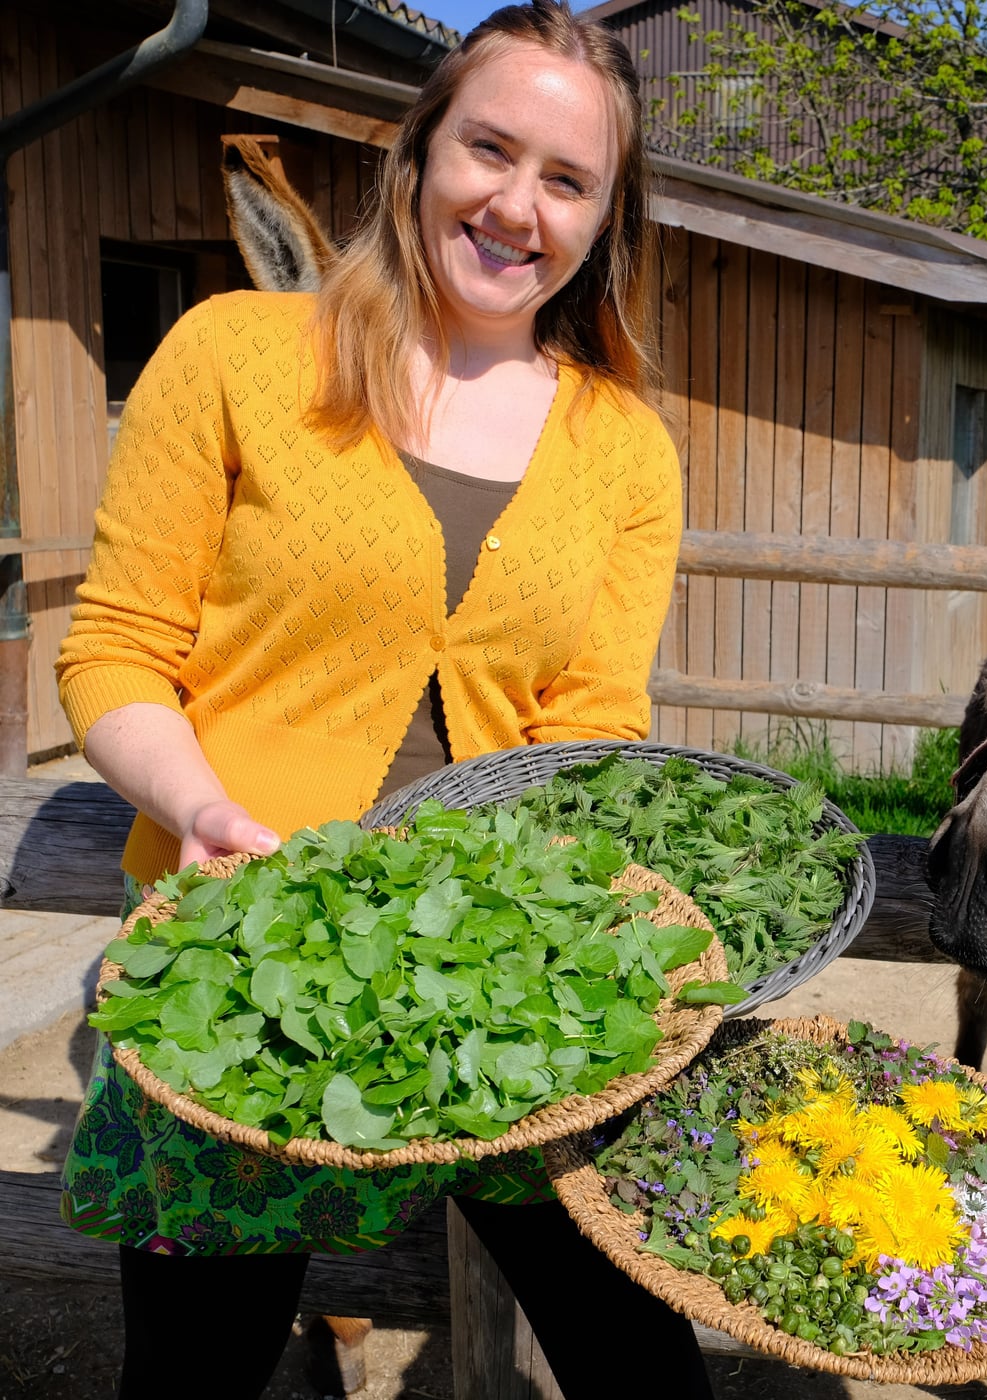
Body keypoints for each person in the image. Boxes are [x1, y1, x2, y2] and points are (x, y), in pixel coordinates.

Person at [53, 4, 712, 1396]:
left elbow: (593, 722)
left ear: (605, 220)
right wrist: (202, 810)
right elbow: (114, 650)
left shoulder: (625, 448)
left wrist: (587, 907)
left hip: (510, 973)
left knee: (639, 1353)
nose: (516, 205)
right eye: (490, 148)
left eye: (568, 179)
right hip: (239, 962)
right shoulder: (239, 356)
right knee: (193, 1373)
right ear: (418, 154)